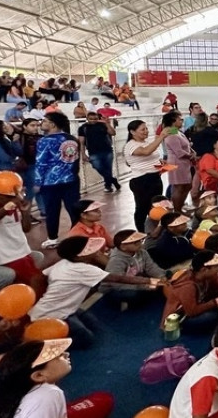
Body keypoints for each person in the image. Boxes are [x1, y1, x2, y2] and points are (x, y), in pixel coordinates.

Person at [29, 236, 159, 348]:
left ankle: (58, 326)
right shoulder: (84, 269)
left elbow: (38, 277)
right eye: (89, 249)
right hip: (52, 315)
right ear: (78, 257)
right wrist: (149, 281)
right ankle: (46, 343)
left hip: (62, 309)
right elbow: (117, 278)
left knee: (94, 325)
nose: (96, 250)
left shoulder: (64, 263)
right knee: (86, 339)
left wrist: (35, 298)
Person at [0, 339, 114, 418]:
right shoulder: (48, 394)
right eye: (58, 356)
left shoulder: (12, 392)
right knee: (104, 400)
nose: (66, 354)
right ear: (38, 375)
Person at [35, 112, 81, 249]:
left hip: (51, 182)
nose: (41, 123)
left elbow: (41, 163)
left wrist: (37, 182)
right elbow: (75, 160)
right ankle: (77, 235)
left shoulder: (44, 141)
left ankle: (53, 238)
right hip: (71, 180)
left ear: (52, 124)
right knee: (74, 209)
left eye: (45, 121)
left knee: (52, 211)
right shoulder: (71, 139)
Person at [160, 251, 218, 333]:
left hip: (197, 303)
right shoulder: (188, 287)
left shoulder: (205, 276)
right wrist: (214, 303)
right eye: (216, 266)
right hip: (180, 317)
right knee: (212, 316)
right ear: (204, 270)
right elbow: (192, 311)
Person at [123, 120, 170, 232]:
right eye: (143, 129)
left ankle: (155, 229)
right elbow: (146, 152)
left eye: (146, 129)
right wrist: (161, 136)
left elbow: (150, 156)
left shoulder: (145, 142)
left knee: (156, 206)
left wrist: (160, 163)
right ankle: (142, 232)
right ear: (132, 132)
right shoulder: (130, 145)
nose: (146, 131)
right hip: (141, 180)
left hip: (154, 178)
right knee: (142, 209)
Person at [77, 112, 120, 193]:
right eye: (91, 119)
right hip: (93, 152)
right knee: (97, 166)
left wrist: (107, 124)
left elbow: (113, 133)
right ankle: (113, 180)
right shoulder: (83, 128)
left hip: (107, 150)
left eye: (95, 119)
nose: (93, 121)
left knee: (108, 169)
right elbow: (81, 142)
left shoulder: (102, 125)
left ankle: (108, 186)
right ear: (87, 119)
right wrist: (83, 154)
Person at [162, 111, 195, 213]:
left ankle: (179, 207)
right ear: (173, 121)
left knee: (187, 185)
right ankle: (177, 211)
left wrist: (192, 152)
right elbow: (179, 152)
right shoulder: (171, 134)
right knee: (179, 187)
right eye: (180, 119)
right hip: (177, 163)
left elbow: (187, 146)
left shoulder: (177, 132)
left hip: (184, 163)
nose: (182, 121)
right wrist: (192, 155)